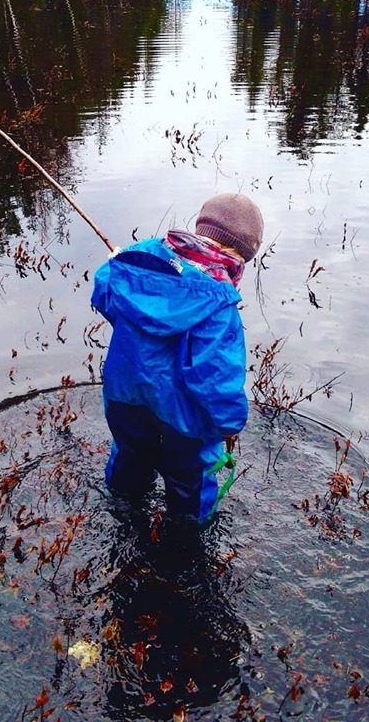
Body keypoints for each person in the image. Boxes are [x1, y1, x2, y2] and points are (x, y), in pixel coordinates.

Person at [91, 193, 264, 526]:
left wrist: (121, 266)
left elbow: (104, 293)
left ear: (201, 226)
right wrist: (229, 425)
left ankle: (120, 511)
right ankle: (186, 540)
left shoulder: (142, 257)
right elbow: (214, 380)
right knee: (190, 479)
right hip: (181, 414)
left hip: (125, 394)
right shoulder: (219, 302)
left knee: (130, 456)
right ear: (242, 255)